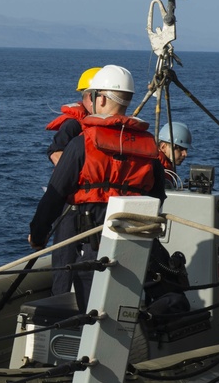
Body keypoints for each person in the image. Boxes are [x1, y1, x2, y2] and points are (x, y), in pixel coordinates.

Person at [29, 65, 166, 312]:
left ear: (100, 98)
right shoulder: (149, 148)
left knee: (88, 305)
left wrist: (37, 234)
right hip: (133, 244)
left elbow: (54, 195)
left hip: (89, 243)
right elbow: (158, 198)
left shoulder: (83, 143)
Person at [45, 67, 102, 296]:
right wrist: (78, 173)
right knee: (64, 255)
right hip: (72, 204)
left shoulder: (102, 128)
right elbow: (55, 152)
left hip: (95, 204)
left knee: (93, 255)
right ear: (89, 97)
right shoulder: (73, 126)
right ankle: (59, 301)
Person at [157, 121, 193, 187]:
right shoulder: (158, 169)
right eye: (180, 149)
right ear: (163, 147)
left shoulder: (165, 166)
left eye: (186, 149)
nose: (185, 154)